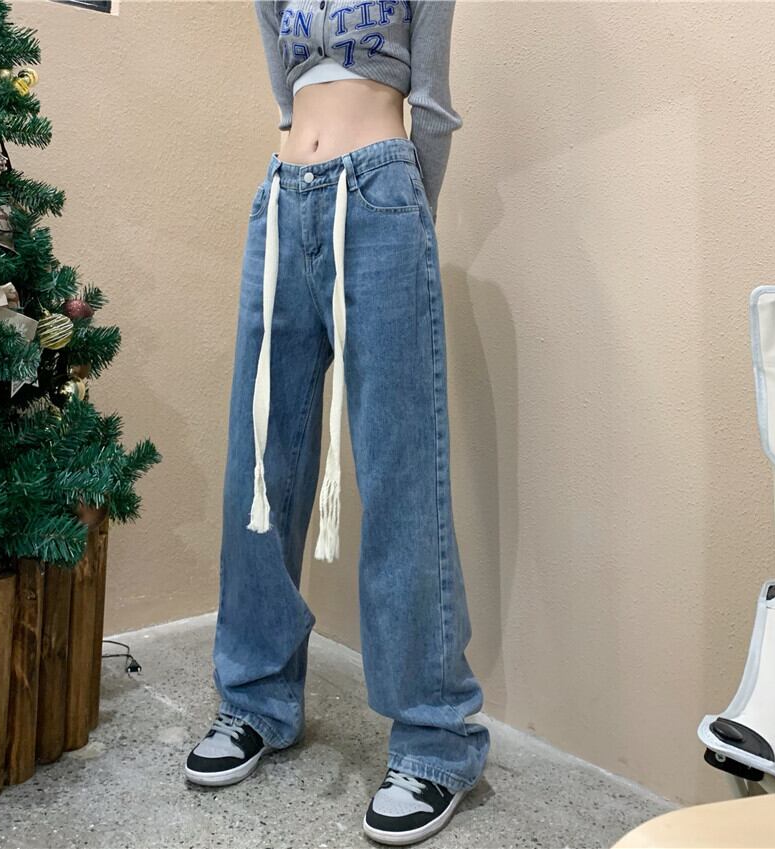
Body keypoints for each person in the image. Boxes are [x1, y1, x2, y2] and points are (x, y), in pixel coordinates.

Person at [185, 1, 490, 844]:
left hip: (382, 195)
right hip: (284, 197)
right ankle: (254, 699)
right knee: (259, 463)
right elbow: (288, 100)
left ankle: (435, 740)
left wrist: (402, 214)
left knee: (401, 469)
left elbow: (432, 105)